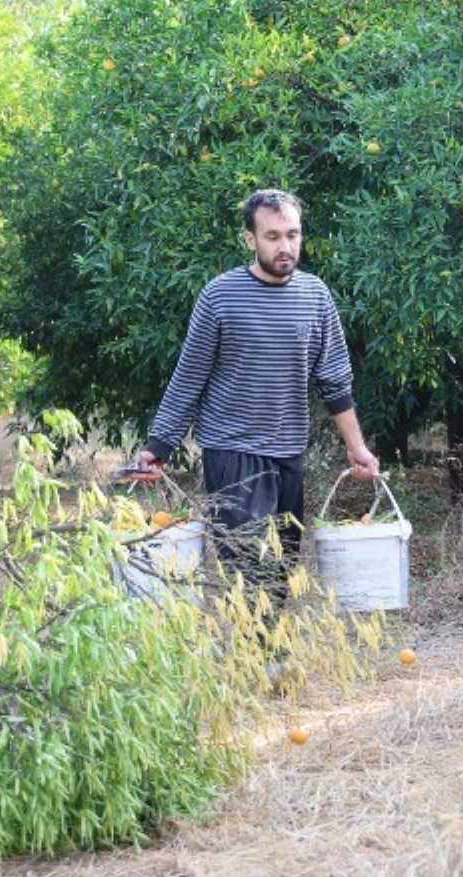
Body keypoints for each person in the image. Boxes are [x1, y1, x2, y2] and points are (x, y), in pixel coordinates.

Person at [137, 188, 380, 596]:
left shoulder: (315, 296)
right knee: (250, 565)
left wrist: (356, 447)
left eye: (293, 234)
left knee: (282, 566)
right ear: (250, 239)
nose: (285, 246)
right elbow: (189, 376)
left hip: (288, 450)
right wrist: (158, 445)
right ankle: (253, 638)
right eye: (273, 236)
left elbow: (335, 381)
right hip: (232, 450)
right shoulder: (220, 296)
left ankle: (265, 637)